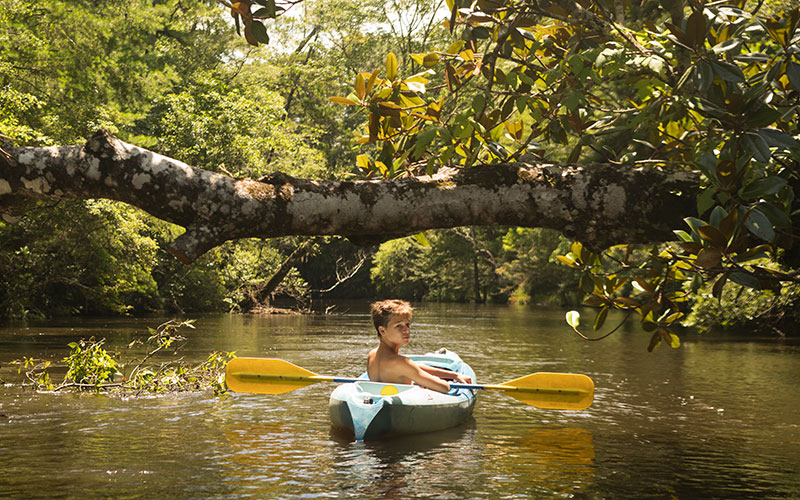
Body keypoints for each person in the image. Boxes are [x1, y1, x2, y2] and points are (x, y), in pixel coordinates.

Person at [367, 299, 471, 394]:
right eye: (399, 326)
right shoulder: (402, 363)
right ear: (382, 330)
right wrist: (431, 382)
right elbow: (444, 388)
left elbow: (411, 368)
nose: (406, 330)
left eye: (407, 324)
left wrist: (453, 375)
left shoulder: (372, 355)